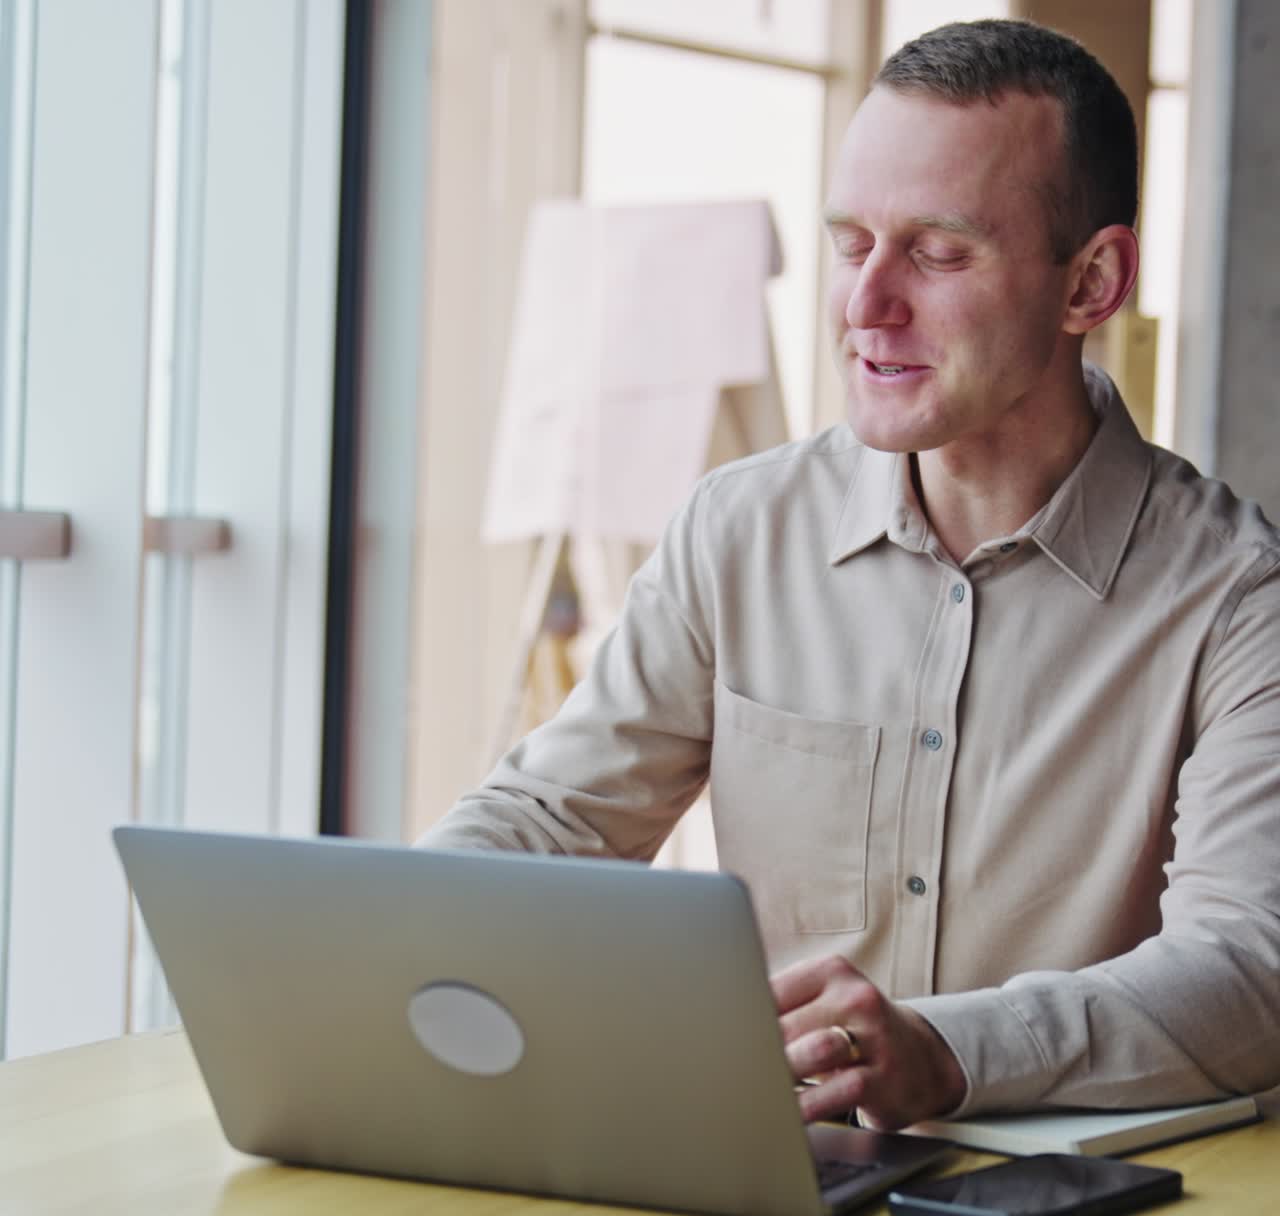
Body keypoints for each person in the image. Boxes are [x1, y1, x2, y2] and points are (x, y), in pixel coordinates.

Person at [421, 19, 1280, 1131]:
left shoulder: (1235, 597)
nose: (863, 304)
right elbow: (552, 817)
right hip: (784, 1183)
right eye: (849, 244)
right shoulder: (735, 530)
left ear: (1090, 282)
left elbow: (1250, 969)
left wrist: (944, 1049)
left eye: (935, 251)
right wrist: (387, 933)